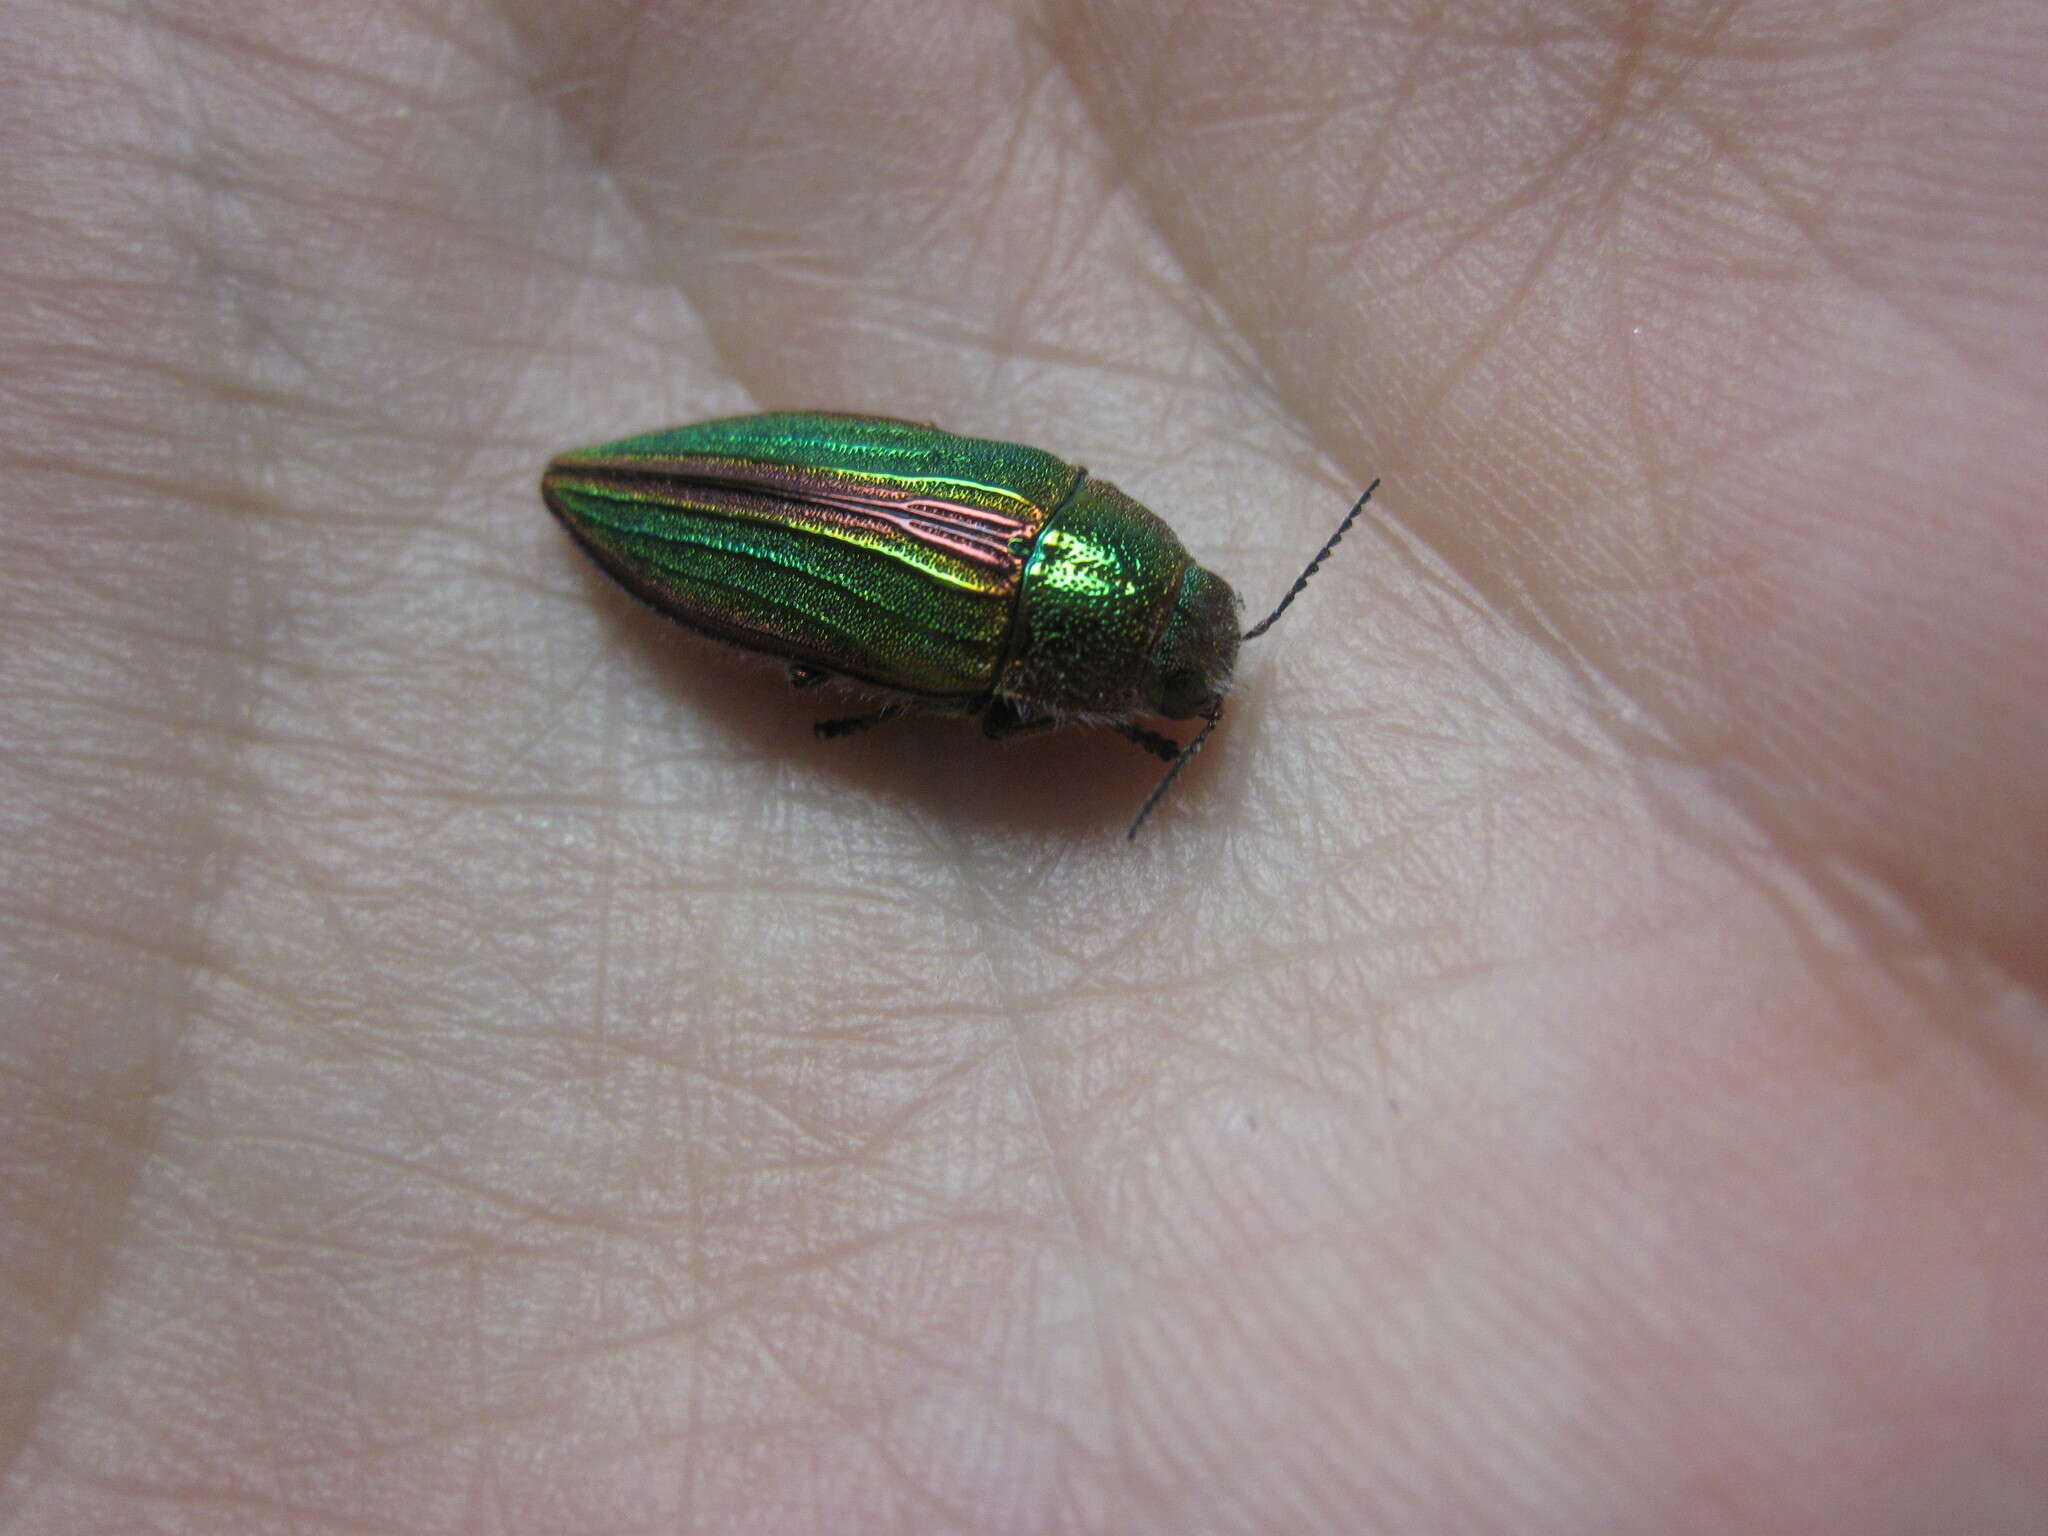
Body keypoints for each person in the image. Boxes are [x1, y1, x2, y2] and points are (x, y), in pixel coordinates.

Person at [3, 2, 2043, 1529]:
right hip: (713, 533)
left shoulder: (1071, 531)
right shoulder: (1017, 662)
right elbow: (972, 699)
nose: (1172, 704)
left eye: (1168, 699)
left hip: (792, 519)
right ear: (1104, 615)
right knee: (866, 673)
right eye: (1168, 689)